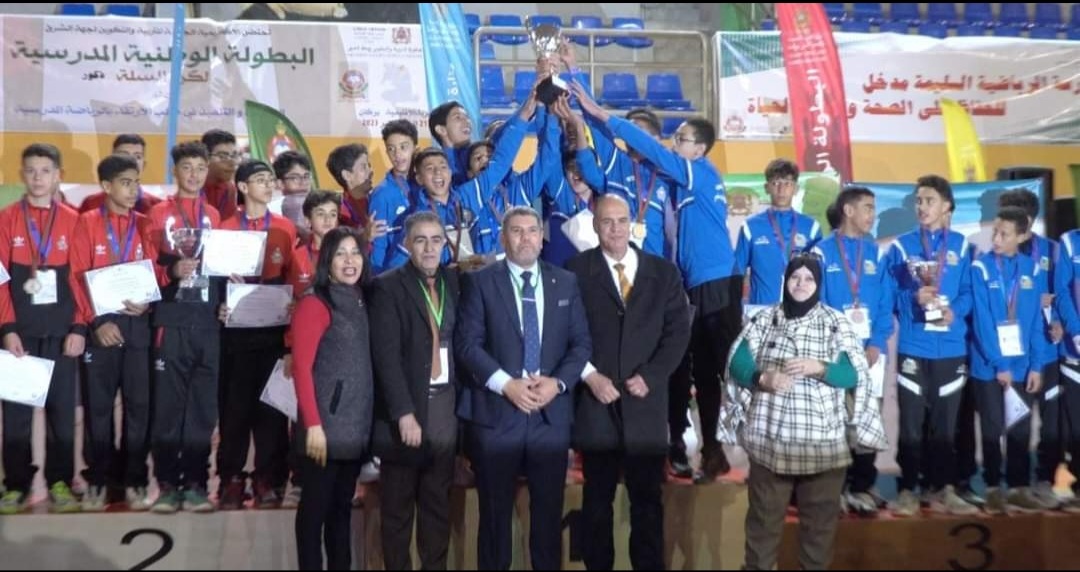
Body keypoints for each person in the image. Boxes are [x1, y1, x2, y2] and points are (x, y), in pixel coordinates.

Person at [573, 82, 740, 481]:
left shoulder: (689, 173)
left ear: (698, 148)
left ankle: (726, 447)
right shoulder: (667, 178)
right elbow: (601, 156)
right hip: (681, 282)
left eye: (678, 138)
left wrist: (599, 112)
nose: (670, 142)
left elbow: (650, 150)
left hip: (712, 281)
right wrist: (586, 113)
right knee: (691, 368)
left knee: (720, 371)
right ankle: (695, 448)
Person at [721, 254, 885, 570]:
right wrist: (762, 377)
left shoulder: (836, 322)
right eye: (795, 277)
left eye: (809, 279)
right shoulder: (764, 320)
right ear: (786, 281)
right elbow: (737, 363)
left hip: (822, 448)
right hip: (770, 443)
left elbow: (854, 374)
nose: (801, 284)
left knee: (817, 539)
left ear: (818, 284)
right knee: (761, 534)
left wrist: (820, 368)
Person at [456, 206, 592, 570]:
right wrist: (506, 386)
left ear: (541, 236)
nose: (525, 238)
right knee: (495, 520)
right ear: (503, 237)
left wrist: (558, 383)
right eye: (516, 231)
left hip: (550, 419)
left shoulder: (565, 282)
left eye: (532, 230)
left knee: (547, 520)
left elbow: (580, 345)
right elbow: (468, 346)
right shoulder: (480, 282)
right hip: (497, 416)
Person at [566, 195, 690, 570]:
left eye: (622, 221)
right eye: (607, 222)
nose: (615, 229)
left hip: (646, 405)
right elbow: (566, 334)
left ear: (633, 224)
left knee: (647, 502)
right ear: (595, 226)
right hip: (596, 403)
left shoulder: (664, 272)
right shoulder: (574, 271)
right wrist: (589, 375)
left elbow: (677, 334)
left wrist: (650, 376)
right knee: (597, 502)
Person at [881, 175, 978, 516]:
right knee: (910, 425)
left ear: (947, 206)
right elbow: (886, 295)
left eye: (930, 200)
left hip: (952, 347)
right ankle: (908, 489)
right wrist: (912, 297)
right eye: (919, 200)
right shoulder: (901, 247)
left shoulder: (962, 246)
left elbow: (969, 292)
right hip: (914, 345)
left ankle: (943, 488)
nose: (922, 207)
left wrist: (956, 311)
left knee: (945, 426)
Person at [70, 154, 161, 511]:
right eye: (125, 182)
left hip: (137, 327)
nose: (132, 189)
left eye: (136, 182)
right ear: (106, 186)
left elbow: (156, 273)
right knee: (99, 410)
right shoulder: (87, 223)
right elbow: (76, 275)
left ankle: (135, 479)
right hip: (101, 329)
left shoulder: (146, 223)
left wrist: (149, 303)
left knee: (140, 409)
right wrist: (95, 321)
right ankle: (98, 480)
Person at [370, 212, 461, 570]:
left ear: (445, 244)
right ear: (406, 244)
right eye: (420, 240)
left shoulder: (454, 283)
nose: (428, 247)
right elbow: (386, 357)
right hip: (405, 411)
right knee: (398, 510)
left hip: (445, 408)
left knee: (437, 506)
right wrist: (403, 412)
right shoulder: (388, 286)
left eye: (435, 240)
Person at [0, 143, 84, 514]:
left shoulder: (74, 219)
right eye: (31, 170)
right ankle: (16, 485)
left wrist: (80, 328)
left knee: (62, 417)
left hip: (62, 334)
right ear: (22, 175)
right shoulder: (6, 219)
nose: (38, 178)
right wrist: (8, 329)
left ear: (58, 176)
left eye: (45, 171)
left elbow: (81, 280)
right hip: (20, 336)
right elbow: (0, 282)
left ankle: (61, 481)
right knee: (16, 417)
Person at [145, 141, 224, 513]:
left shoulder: (214, 214)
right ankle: (165, 484)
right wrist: (170, 271)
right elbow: (145, 269)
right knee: (169, 408)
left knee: (203, 409)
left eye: (199, 168)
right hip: (171, 321)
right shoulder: (158, 214)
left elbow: (222, 268)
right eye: (187, 168)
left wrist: (229, 302)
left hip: (208, 323)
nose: (194, 175)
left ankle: (195, 483)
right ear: (175, 171)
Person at [290, 226, 374, 571]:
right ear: (327, 259)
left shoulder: (363, 298)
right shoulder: (315, 302)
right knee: (314, 512)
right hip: (323, 430)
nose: (349, 261)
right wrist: (312, 424)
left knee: (341, 511)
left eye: (355, 252)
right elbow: (301, 368)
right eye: (340, 253)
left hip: (355, 428)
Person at [217, 160, 298, 509]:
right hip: (235, 335)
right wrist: (217, 308)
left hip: (272, 333)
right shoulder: (225, 228)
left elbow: (293, 277)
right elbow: (215, 281)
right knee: (234, 413)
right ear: (243, 186)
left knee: (271, 411)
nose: (268, 186)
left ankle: (269, 478)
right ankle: (231, 479)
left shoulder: (285, 228)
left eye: (270, 180)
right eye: (260, 180)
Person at [811, 186, 893, 515]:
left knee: (868, 423)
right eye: (868, 208)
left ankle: (862, 485)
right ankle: (836, 491)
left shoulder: (874, 254)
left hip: (871, 355)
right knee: (836, 425)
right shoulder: (820, 253)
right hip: (836, 357)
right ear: (848, 211)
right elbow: (812, 307)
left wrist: (876, 342)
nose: (873, 215)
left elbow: (885, 303)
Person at [969, 207, 1047, 513]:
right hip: (989, 366)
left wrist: (1037, 365)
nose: (997, 239)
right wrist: (1000, 364)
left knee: (1020, 429)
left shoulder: (1033, 270)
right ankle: (991, 488)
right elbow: (983, 322)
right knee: (991, 429)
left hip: (1024, 365)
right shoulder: (981, 268)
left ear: (1022, 236)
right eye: (995, 233)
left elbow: (1037, 323)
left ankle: (1018, 487)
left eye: (1004, 234)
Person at [735, 159, 823, 305]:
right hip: (762, 312)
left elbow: (819, 275)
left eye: (787, 184)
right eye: (776, 183)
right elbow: (737, 273)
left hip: (801, 311)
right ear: (766, 187)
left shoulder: (812, 228)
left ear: (796, 188)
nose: (781, 190)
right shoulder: (751, 227)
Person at [369, 119, 419, 274]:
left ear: (415, 149)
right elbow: (379, 243)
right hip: (397, 274)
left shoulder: (424, 184)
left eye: (403, 147)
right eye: (391, 149)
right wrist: (378, 280)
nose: (397, 155)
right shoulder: (381, 194)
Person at [79, 134, 162, 215]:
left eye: (137, 156)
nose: (131, 161)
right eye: (123, 155)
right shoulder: (90, 204)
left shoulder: (156, 207)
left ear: (144, 165)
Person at [327, 143, 374, 231]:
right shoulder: (340, 213)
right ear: (347, 175)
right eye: (363, 167)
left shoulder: (378, 198)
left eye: (369, 165)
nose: (371, 171)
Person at [428, 100, 474, 185]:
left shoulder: (479, 157)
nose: (467, 121)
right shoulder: (434, 167)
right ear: (441, 130)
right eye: (458, 117)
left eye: (467, 117)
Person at [274, 150, 315, 238]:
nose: (303, 182)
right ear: (280, 183)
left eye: (306, 176)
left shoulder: (322, 205)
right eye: (295, 178)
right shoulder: (271, 210)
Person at [201, 129, 242, 217]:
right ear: (206, 157)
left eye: (234, 156)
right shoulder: (192, 187)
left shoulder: (230, 189)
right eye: (222, 156)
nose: (231, 162)